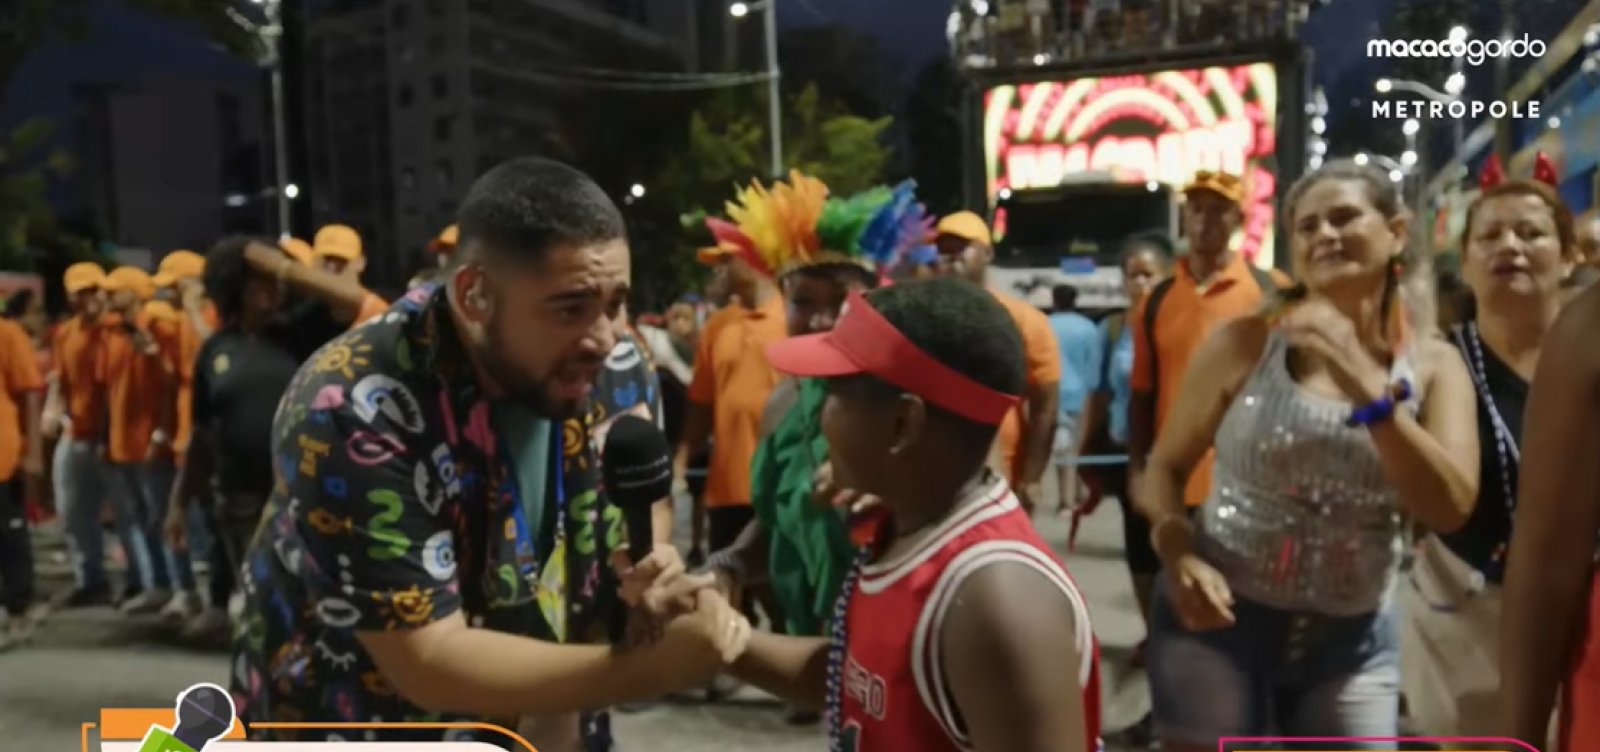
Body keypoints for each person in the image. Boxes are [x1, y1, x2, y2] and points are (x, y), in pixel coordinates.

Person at [226, 157, 747, 748]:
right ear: (475, 296)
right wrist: (650, 669)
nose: (603, 336)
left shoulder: (620, 365)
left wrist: (649, 566)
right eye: (570, 307)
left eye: (616, 302)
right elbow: (428, 659)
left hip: (555, 711)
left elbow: (641, 500)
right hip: (364, 718)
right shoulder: (352, 406)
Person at [1136, 159, 1478, 750]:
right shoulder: (1245, 342)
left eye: (1344, 217)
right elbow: (1163, 468)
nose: (1325, 234)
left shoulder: (1434, 365)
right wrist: (1177, 551)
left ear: (1396, 232)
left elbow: (1449, 507)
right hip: (1215, 628)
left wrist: (1362, 385)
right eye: (1308, 226)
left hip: (1353, 642)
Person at [725, 277, 1102, 752]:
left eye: (833, 394)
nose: (819, 415)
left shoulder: (996, 599)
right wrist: (718, 638)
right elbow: (863, 678)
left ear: (903, 424)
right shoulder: (904, 528)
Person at [1401, 166, 1574, 737]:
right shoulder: (1433, 364)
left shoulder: (1587, 360)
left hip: (1584, 611)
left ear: (1569, 258)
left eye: (1530, 233)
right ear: (1468, 265)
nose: (1511, 247)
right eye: (1491, 236)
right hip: (1467, 617)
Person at [1128, 170, 1288, 518]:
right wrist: (1138, 472)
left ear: (1238, 219)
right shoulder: (1156, 301)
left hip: (1252, 482)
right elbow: (1142, 395)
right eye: (1196, 208)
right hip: (1174, 481)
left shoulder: (1270, 292)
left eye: (1218, 209)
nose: (1205, 219)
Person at [674, 175, 799, 564]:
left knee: (784, 607)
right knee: (727, 599)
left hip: (781, 491)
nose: (719, 270)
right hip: (725, 493)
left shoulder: (796, 319)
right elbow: (700, 405)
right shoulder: (716, 326)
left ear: (751, 259)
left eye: (726, 260)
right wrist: (680, 463)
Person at [1075, 233, 1172, 680]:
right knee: (1139, 552)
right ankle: (1154, 632)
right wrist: (1081, 456)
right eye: (1131, 276)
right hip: (1125, 452)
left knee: (1174, 548)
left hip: (1179, 457)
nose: (1139, 284)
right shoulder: (1112, 329)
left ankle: (1179, 636)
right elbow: (1098, 394)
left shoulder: (1181, 322)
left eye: (1148, 275)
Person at [932, 210, 1060, 512]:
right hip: (932, 475)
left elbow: (1045, 406)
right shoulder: (921, 318)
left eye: (962, 248)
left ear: (987, 253)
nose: (951, 257)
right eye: (943, 250)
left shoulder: (1024, 320)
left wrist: (1032, 478)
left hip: (1000, 482)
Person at [47, 262, 146, 607]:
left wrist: (108, 435)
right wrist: (53, 411)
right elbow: (60, 379)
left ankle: (138, 581)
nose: (87, 298)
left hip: (111, 438)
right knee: (73, 510)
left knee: (126, 514)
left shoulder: (116, 330)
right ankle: (89, 579)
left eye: (92, 290)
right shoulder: (66, 333)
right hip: (75, 433)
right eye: (80, 292)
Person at [99, 266, 196, 616]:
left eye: (116, 290)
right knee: (141, 518)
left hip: (152, 442)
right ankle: (158, 584)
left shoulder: (162, 327)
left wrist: (161, 433)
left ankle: (182, 588)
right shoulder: (114, 335)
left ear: (135, 293)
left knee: (162, 517)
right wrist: (106, 438)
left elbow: (172, 385)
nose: (109, 297)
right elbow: (109, 391)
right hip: (122, 442)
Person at [0, 294, 46, 645]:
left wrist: (33, 451)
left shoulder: (8, 333)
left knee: (10, 535)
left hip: (4, 455)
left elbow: (31, 392)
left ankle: (20, 607)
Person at [1046, 284, 1099, 514]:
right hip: (1081, 394)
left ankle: (1065, 500)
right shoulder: (1088, 328)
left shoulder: (1046, 325)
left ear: (1054, 300)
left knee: (1062, 450)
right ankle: (1079, 493)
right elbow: (1093, 364)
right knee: (1079, 446)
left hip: (1054, 392)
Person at [309, 223, 392, 326]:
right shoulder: (306, 320)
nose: (332, 267)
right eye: (326, 260)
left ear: (361, 263)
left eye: (341, 261)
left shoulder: (379, 316)